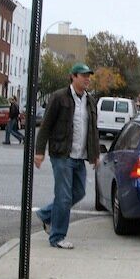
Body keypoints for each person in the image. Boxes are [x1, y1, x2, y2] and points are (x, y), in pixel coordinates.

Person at [34, 63, 100, 249]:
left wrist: (95, 154)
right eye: (83, 75)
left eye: (89, 76)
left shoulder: (90, 101)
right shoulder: (59, 97)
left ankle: (47, 215)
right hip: (61, 154)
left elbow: (93, 130)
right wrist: (39, 152)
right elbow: (45, 126)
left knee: (79, 192)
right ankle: (57, 237)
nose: (87, 79)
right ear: (73, 77)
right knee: (63, 197)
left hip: (80, 156)